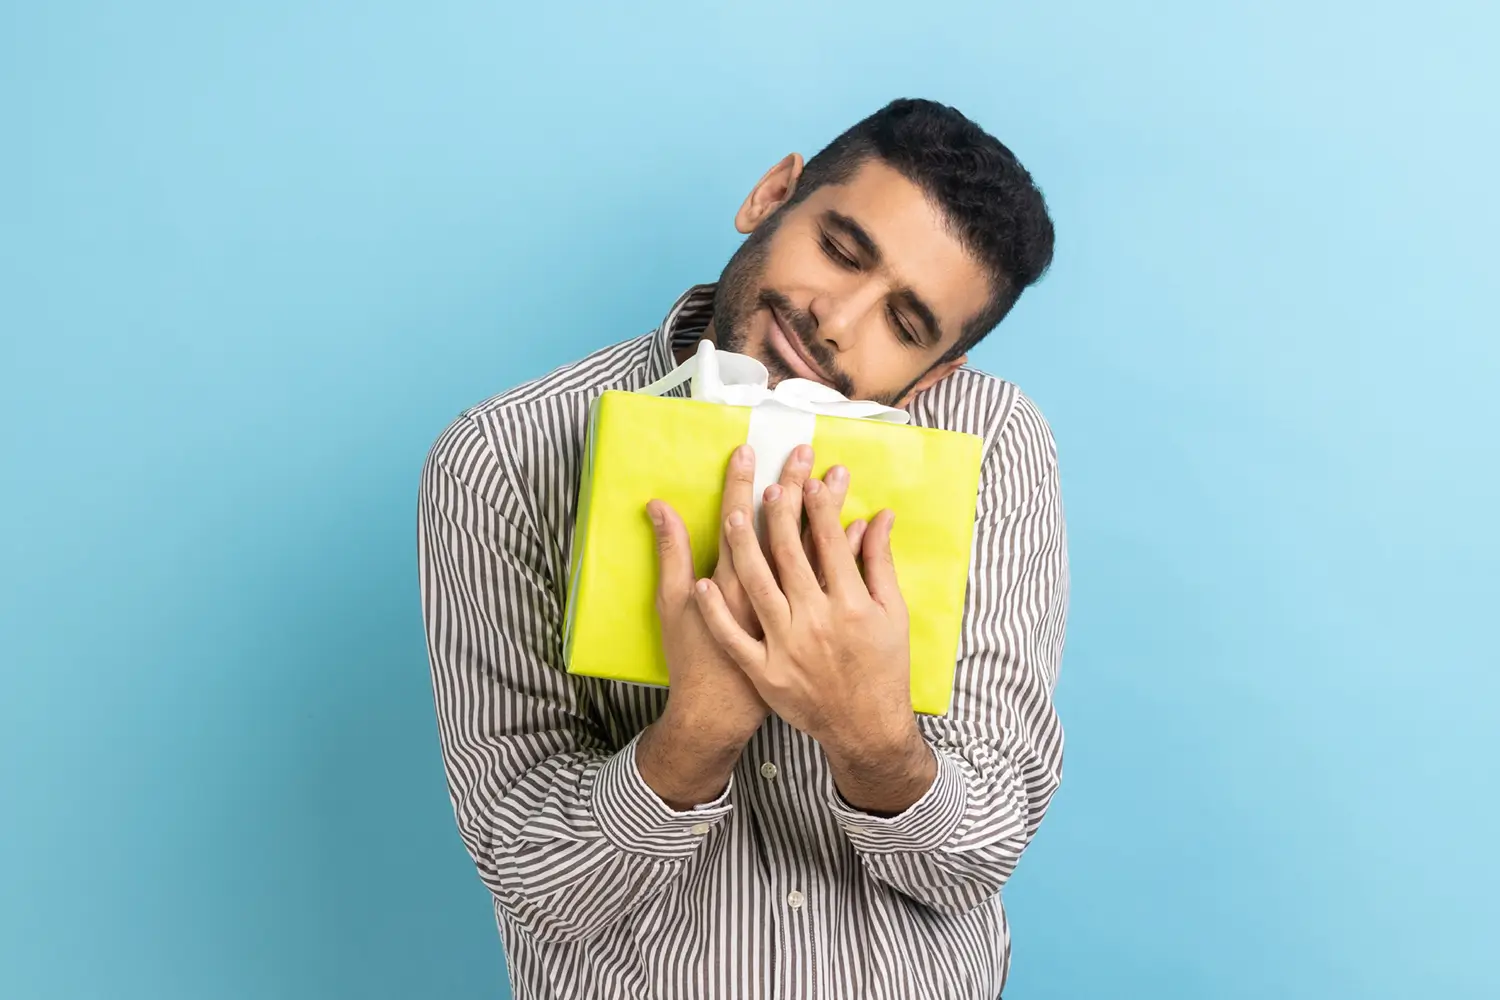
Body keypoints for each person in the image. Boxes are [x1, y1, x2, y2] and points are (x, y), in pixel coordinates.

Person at [417, 98, 1068, 999]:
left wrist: (869, 733)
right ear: (772, 195)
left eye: (906, 325)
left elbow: (976, 858)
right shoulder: (507, 459)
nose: (837, 320)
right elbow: (534, 878)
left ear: (937, 373)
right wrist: (698, 730)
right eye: (841, 249)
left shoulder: (993, 444)